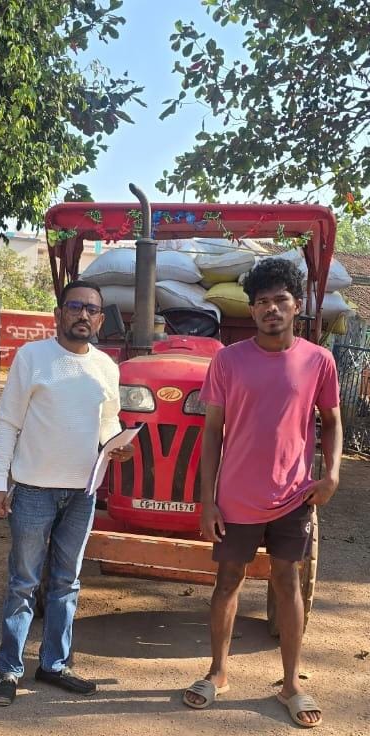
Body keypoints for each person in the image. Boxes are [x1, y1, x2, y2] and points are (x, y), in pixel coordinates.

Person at [183, 258, 342, 729]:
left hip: (294, 496)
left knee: (287, 582)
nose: (271, 308)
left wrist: (332, 475)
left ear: (296, 305)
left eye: (280, 300)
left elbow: (332, 423)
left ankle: (290, 683)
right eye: (262, 302)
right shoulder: (228, 360)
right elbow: (212, 433)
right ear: (251, 310)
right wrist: (208, 499)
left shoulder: (319, 361)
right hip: (235, 497)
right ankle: (217, 672)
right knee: (227, 581)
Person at [0, 280, 134, 706]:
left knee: (67, 583)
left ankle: (54, 664)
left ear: (100, 320)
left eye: (92, 309)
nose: (83, 315)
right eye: (75, 306)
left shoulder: (106, 367)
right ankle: (9, 669)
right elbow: (9, 422)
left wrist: (117, 444)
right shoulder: (32, 357)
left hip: (83, 492)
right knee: (24, 583)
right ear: (58, 314)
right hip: (33, 489)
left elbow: (108, 420)